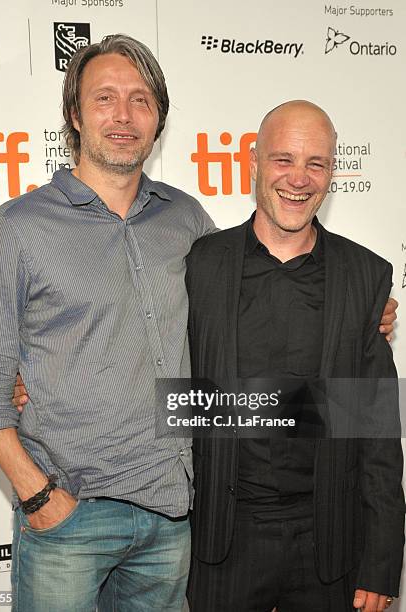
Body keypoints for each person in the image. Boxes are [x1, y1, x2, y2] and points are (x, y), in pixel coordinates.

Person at [0, 34, 215, 612]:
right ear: (74, 113)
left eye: (140, 100)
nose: (123, 115)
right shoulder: (16, 228)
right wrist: (40, 496)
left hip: (172, 517)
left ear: (158, 118)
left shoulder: (188, 219)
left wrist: (356, 307)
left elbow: (251, 307)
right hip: (69, 519)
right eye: (105, 98)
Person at [185, 100, 404, 612]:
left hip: (330, 542)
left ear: (332, 172)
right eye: (284, 160)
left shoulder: (365, 276)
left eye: (316, 164)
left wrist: (381, 558)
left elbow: (376, 433)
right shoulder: (199, 266)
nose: (298, 179)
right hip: (220, 540)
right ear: (254, 162)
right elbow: (153, 373)